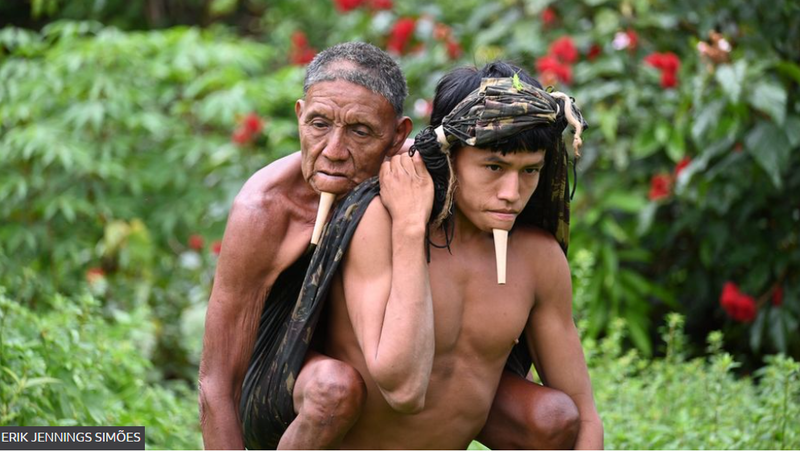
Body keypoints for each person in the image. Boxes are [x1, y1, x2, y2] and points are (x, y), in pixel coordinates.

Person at [199, 41, 582, 450]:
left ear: (398, 136)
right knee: (333, 389)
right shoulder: (266, 209)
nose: (333, 152)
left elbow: (488, 147)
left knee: (544, 413)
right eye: (318, 124)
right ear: (299, 116)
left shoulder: (418, 174)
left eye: (360, 131)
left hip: (400, 392)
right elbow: (216, 382)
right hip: (298, 389)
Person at [319, 62, 604, 448]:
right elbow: (403, 390)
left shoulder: (538, 258)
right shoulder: (378, 223)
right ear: (447, 157)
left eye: (530, 171)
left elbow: (584, 415)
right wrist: (409, 227)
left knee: (555, 414)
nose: (511, 192)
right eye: (493, 166)